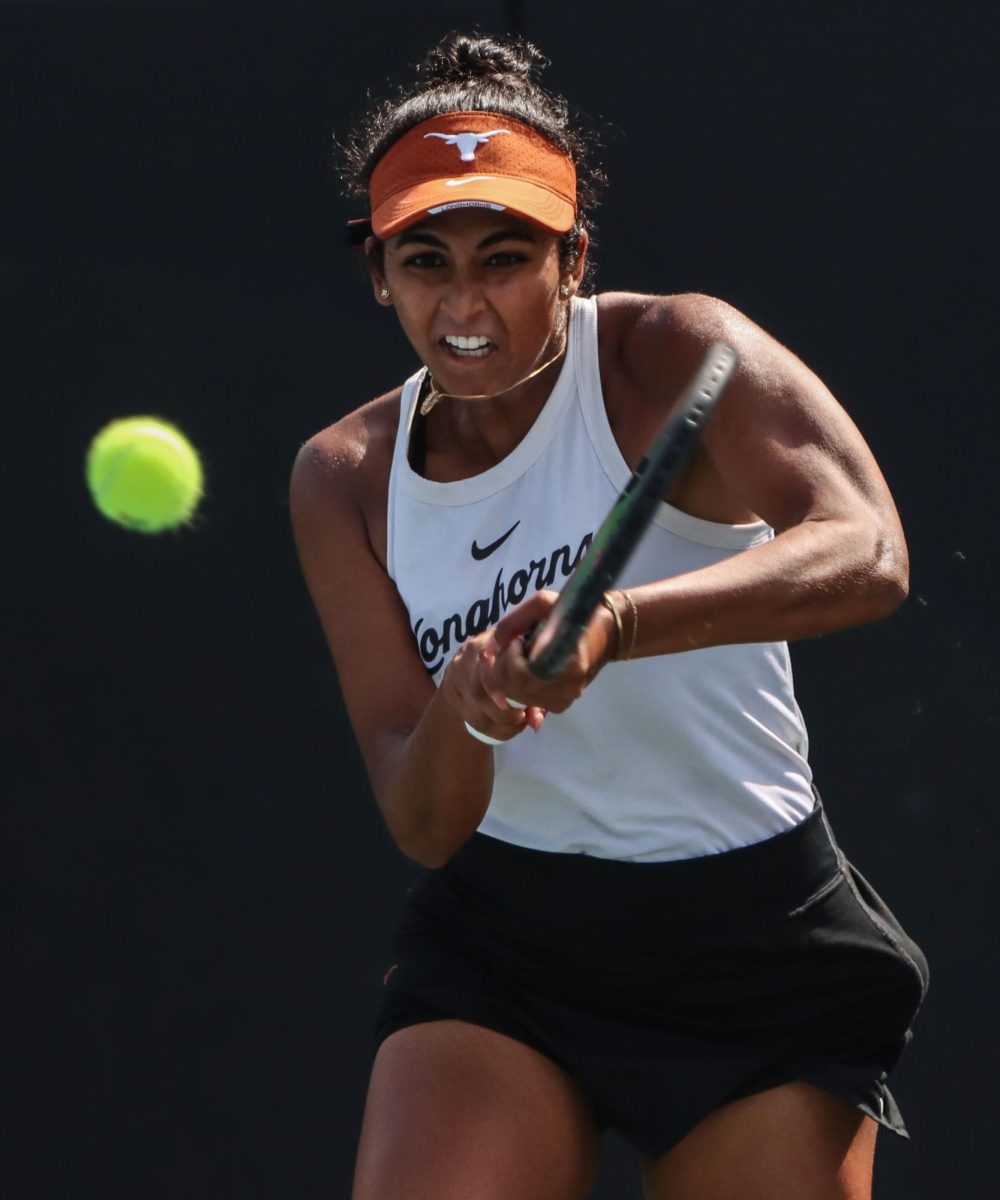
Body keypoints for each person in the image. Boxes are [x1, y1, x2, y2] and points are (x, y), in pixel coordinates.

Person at [290, 31, 928, 1200]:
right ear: (378, 273)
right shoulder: (342, 477)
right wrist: (467, 708)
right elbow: (420, 819)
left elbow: (867, 551)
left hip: (755, 944)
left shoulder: (673, 352)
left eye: (507, 255)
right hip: (507, 944)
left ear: (573, 258)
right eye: (425, 260)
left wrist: (617, 624)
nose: (465, 299)